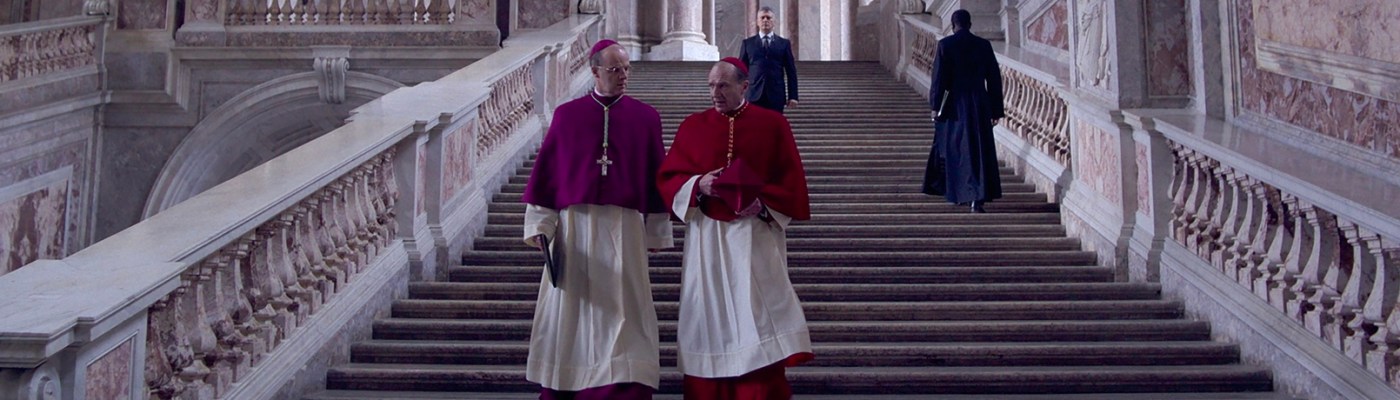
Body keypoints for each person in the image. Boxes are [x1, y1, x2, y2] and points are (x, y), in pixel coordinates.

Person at [520, 39, 674, 400]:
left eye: (626, 69)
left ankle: (623, 381)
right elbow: (548, 177)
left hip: (625, 229)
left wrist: (656, 231)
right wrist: (540, 226)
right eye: (615, 69)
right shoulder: (567, 116)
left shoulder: (646, 118)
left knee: (626, 309)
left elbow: (657, 175)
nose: (623, 76)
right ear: (594, 71)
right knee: (574, 309)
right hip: (576, 228)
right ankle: (571, 379)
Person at [657, 57, 813, 400]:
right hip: (707, 238)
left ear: (745, 86)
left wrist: (764, 203)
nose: (716, 92)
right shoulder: (692, 126)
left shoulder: (772, 125)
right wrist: (698, 184)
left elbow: (792, 181)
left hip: (756, 235)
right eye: (712, 85)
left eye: (724, 85)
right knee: (708, 312)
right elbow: (668, 178)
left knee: (758, 311)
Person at [922, 9, 1004, 213]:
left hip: (955, 105)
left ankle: (961, 194)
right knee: (979, 149)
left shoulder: (946, 45)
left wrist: (935, 107)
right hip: (980, 103)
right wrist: (996, 109)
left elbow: (939, 80)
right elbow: (994, 78)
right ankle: (978, 198)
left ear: (952, 26)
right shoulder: (983, 45)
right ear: (970, 24)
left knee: (957, 150)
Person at [738, 6, 799, 114]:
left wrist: (793, 96)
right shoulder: (748, 43)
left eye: (768, 17)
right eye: (762, 18)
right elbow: (741, 71)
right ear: (757, 22)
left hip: (776, 95)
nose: (765, 20)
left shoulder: (784, 44)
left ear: (774, 21)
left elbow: (791, 72)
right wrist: (738, 94)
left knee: (774, 124)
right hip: (753, 94)